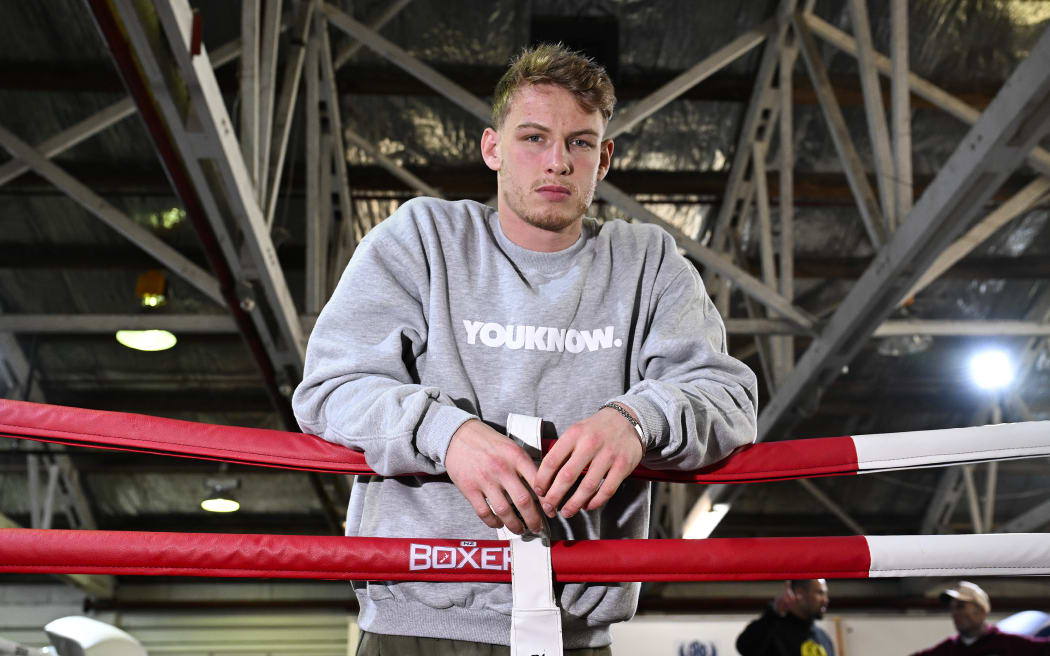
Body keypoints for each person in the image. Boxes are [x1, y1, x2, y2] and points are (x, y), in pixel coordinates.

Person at [292, 42, 758, 654]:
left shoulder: (648, 261)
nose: (558, 162)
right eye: (534, 137)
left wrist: (636, 421)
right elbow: (330, 387)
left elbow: (728, 398)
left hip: (575, 626)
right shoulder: (422, 239)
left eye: (580, 142)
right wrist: (446, 434)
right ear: (493, 148)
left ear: (605, 157)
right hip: (421, 619)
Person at [909, 581, 1050, 655]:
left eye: (960, 606)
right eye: (951, 608)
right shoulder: (949, 649)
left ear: (981, 611)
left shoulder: (1006, 644)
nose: (954, 613)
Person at [736, 579, 835, 656]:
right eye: (820, 593)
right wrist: (773, 613)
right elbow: (745, 647)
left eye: (826, 594)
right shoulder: (774, 631)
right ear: (800, 593)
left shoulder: (823, 638)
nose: (825, 600)